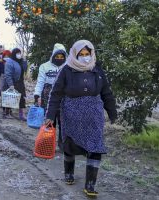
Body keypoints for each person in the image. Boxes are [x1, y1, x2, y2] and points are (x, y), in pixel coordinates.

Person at [45, 40, 117, 197]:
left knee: (95, 146)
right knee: (70, 145)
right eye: (81, 54)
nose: (84, 57)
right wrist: (50, 115)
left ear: (91, 54)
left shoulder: (97, 71)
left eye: (87, 54)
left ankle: (90, 185)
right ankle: (69, 173)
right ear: (74, 55)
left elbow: (106, 93)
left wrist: (112, 112)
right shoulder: (66, 70)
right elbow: (56, 93)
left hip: (94, 115)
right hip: (71, 113)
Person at [4, 48, 28, 121]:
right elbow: (8, 74)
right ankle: (7, 113)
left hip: (20, 81)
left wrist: (24, 61)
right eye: (17, 53)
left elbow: (25, 69)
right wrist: (11, 84)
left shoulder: (21, 61)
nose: (19, 55)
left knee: (22, 98)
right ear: (14, 54)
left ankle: (21, 114)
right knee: (10, 97)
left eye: (19, 53)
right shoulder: (10, 62)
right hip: (13, 82)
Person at [0, 50, 12, 117]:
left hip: (10, 78)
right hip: (2, 77)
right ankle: (4, 110)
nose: (7, 57)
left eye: (8, 56)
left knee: (10, 94)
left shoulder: (12, 63)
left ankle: (9, 110)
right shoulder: (1, 62)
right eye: (5, 56)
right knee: (3, 93)